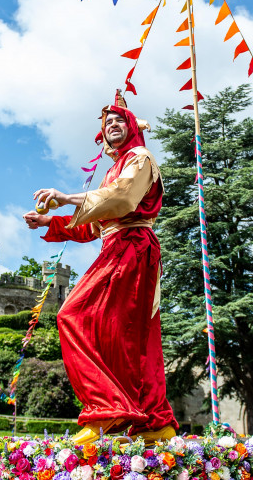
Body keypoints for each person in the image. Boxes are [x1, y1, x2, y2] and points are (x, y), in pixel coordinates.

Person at [23, 95, 178, 445]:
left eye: (119, 121)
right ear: (103, 137)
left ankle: (106, 412)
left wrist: (66, 198)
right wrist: (51, 221)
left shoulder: (140, 159)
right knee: (127, 338)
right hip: (120, 247)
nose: (112, 126)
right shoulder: (113, 170)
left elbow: (120, 200)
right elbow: (93, 226)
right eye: (107, 124)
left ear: (133, 127)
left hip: (132, 247)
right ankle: (153, 422)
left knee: (73, 315)